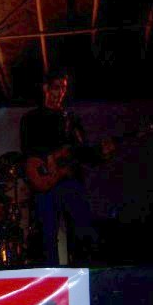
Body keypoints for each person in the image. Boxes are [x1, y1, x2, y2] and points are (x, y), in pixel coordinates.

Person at [20, 71, 114, 266]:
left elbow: (82, 152)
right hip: (45, 183)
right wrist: (49, 157)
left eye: (63, 88)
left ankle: (82, 273)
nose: (60, 92)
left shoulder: (71, 119)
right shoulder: (31, 118)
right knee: (47, 235)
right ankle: (51, 276)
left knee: (82, 231)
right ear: (46, 88)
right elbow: (27, 149)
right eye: (56, 87)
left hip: (70, 181)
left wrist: (102, 154)